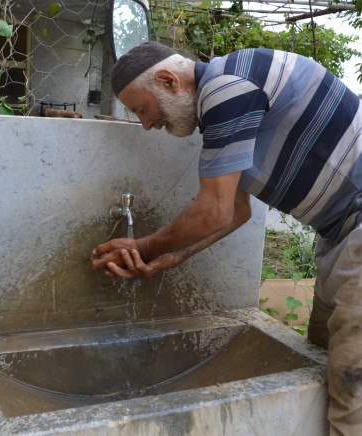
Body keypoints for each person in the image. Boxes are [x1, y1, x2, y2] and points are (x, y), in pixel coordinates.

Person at [90, 41, 362, 435]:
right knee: (318, 353)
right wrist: (172, 257)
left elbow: (214, 210)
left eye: (143, 109)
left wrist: (144, 247)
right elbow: (236, 212)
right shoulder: (229, 99)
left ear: (169, 81)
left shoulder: (226, 86)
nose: (147, 125)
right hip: (340, 234)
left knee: (351, 384)